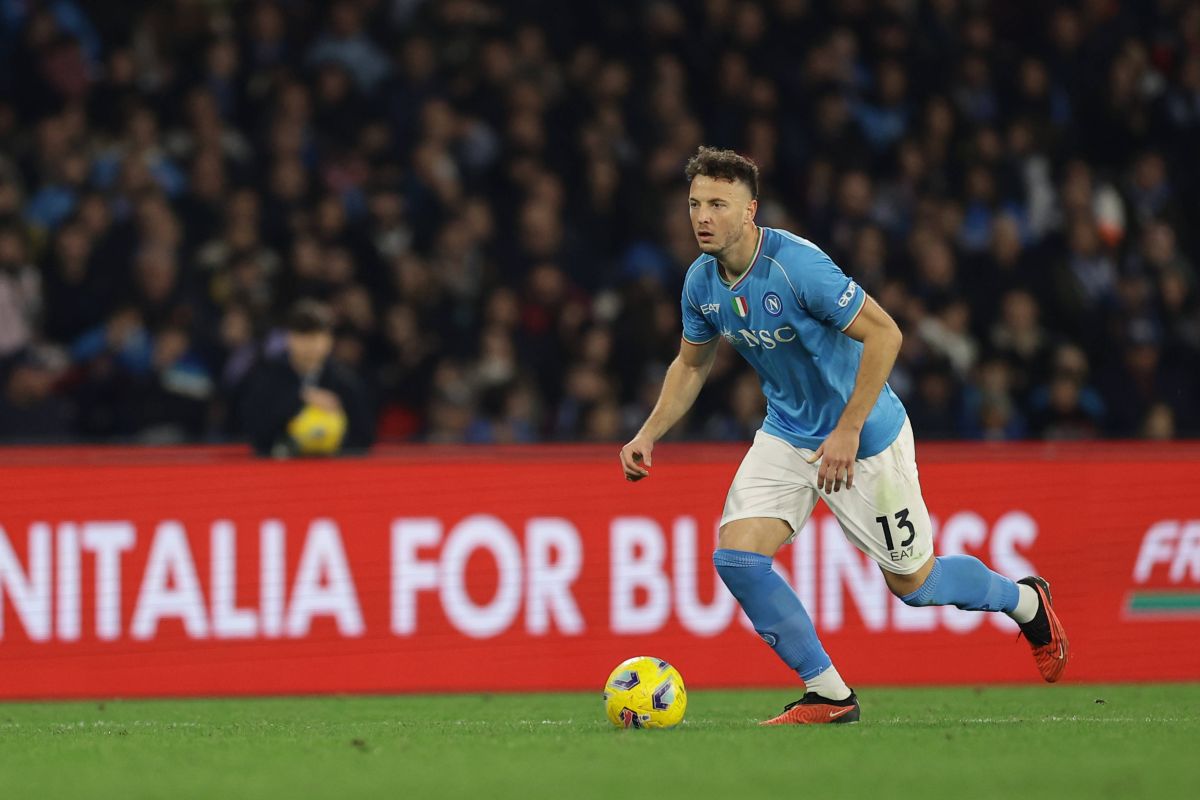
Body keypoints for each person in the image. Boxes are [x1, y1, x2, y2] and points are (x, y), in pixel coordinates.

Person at [618, 147, 1068, 725]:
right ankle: (829, 694)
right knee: (737, 557)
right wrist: (648, 433)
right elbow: (690, 364)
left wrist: (848, 429)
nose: (702, 217)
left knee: (916, 584)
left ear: (750, 210)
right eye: (694, 204)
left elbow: (886, 334)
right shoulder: (700, 282)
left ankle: (1026, 601)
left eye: (718, 204)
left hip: (865, 436)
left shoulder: (797, 267)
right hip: (788, 432)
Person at [241, 299, 374, 457]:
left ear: (329, 340)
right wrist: (300, 397)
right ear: (289, 338)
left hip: (332, 467)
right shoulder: (267, 376)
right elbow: (255, 431)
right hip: (279, 467)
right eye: (302, 336)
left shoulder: (345, 380)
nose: (309, 345)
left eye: (316, 336)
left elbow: (364, 437)